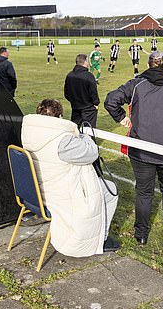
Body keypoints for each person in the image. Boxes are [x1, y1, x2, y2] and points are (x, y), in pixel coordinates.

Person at [105, 51, 163, 244]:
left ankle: (149, 233)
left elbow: (111, 99)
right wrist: (122, 117)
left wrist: (121, 117)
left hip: (150, 151)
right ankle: (162, 231)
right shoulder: (141, 85)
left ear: (148, 64)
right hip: (159, 151)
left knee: (145, 192)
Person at [21, 99, 120, 256]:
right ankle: (101, 238)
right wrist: (84, 137)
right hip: (58, 193)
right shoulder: (62, 141)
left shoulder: (30, 131)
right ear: (60, 117)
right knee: (111, 189)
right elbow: (92, 153)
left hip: (36, 191)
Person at [64, 54, 100, 127]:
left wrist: (74, 101)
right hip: (88, 108)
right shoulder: (89, 76)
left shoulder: (69, 75)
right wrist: (96, 103)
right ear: (85, 62)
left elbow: (66, 94)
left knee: (75, 129)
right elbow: (93, 93)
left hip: (75, 107)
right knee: (89, 131)